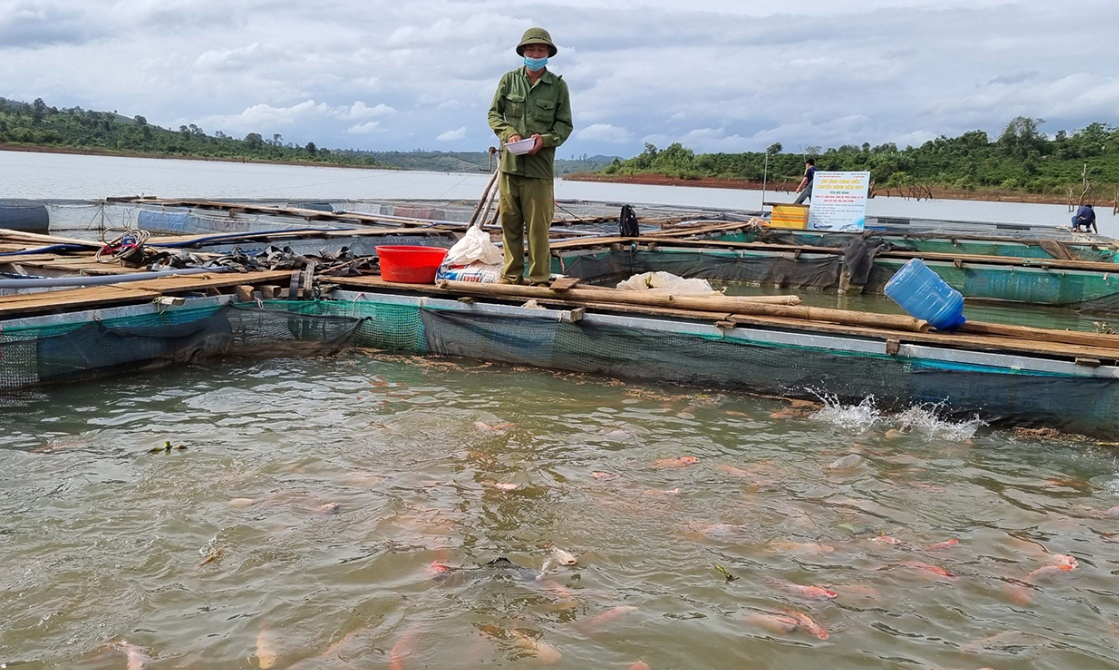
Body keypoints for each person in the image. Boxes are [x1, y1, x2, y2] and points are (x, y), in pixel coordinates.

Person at [487, 27, 574, 286]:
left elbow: (564, 126)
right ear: (523, 52)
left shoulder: (558, 87)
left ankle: (539, 279)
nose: (536, 53)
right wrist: (509, 133)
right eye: (531, 49)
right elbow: (494, 115)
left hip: (539, 169)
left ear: (548, 53)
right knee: (510, 224)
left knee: (537, 229)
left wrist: (543, 140)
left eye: (541, 49)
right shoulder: (508, 81)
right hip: (510, 167)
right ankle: (511, 276)